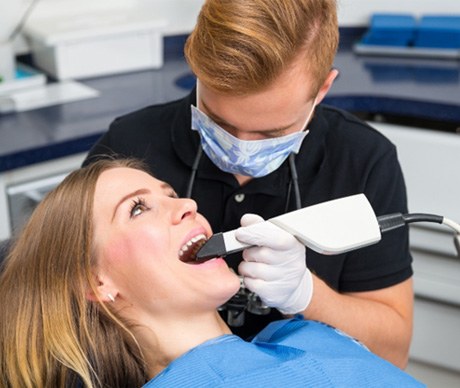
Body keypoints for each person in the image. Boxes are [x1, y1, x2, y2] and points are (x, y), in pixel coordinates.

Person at [83, 0, 414, 368]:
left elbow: (392, 354)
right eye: (217, 123)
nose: (241, 146)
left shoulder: (363, 159)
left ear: (323, 88)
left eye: (272, 133)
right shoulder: (130, 146)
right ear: (197, 68)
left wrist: (306, 294)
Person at [0, 159, 424, 387]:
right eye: (137, 207)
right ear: (95, 282)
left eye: (170, 193)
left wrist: (305, 294)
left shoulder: (304, 335)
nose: (187, 204)